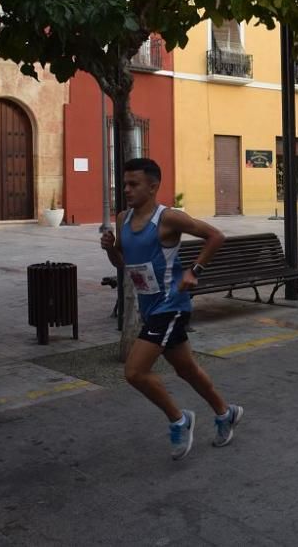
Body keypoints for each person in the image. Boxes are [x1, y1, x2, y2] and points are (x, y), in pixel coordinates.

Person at [101, 158, 242, 461]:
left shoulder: (169, 218)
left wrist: (195, 271)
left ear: (153, 186)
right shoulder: (123, 218)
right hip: (149, 306)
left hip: (171, 305)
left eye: (134, 184)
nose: (126, 189)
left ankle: (179, 419)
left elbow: (216, 236)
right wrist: (110, 248)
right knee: (186, 369)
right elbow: (123, 264)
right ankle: (225, 412)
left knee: (135, 372)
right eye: (124, 184)